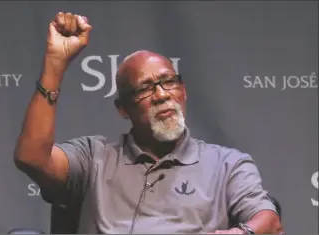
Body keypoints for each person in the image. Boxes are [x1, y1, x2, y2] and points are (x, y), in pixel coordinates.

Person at [14, 12, 284, 234]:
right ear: (123, 109)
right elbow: (32, 158)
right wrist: (55, 63)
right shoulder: (93, 158)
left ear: (184, 91)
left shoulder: (228, 164)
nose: (162, 95)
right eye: (145, 88)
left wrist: (241, 233)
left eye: (168, 82)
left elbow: (269, 223)